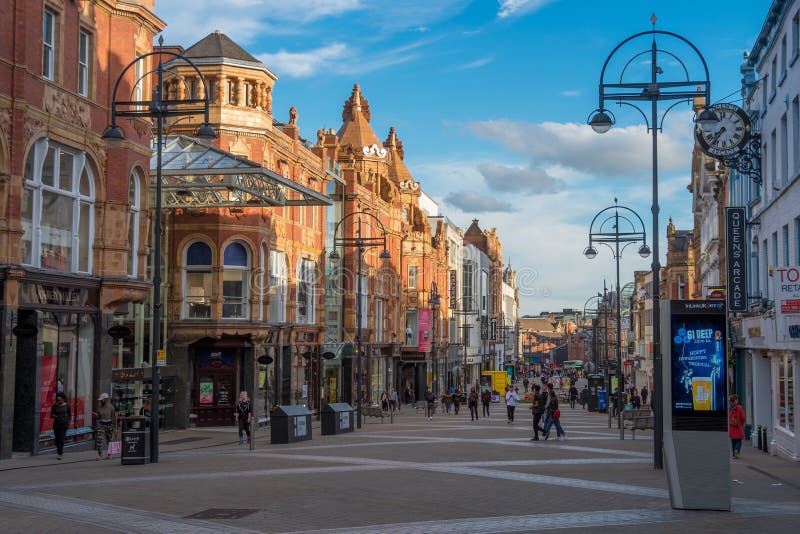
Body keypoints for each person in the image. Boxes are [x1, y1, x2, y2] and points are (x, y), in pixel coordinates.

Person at [93, 392, 116, 460]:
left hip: (109, 424)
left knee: (109, 439)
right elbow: (99, 416)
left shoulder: (111, 407)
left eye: (102, 399)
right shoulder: (99, 407)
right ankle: (100, 455)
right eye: (100, 400)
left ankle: (109, 454)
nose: (100, 401)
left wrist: (115, 428)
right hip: (102, 423)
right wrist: (97, 415)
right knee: (99, 438)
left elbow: (113, 417)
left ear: (106, 399)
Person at [51, 392, 70, 460]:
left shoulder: (67, 406)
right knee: (57, 440)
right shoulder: (54, 406)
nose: (59, 401)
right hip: (56, 425)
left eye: (60, 400)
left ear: (63, 399)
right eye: (57, 400)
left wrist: (68, 423)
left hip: (64, 425)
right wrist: (54, 416)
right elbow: (51, 415)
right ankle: (59, 449)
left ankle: (60, 454)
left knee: (61, 439)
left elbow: (69, 415)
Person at [729, 394, 746, 459]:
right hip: (738, 427)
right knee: (739, 440)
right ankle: (737, 450)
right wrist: (741, 424)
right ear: (736, 400)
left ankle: (734, 454)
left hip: (732, 427)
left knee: (733, 441)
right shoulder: (739, 408)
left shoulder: (730, 408)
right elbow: (743, 417)